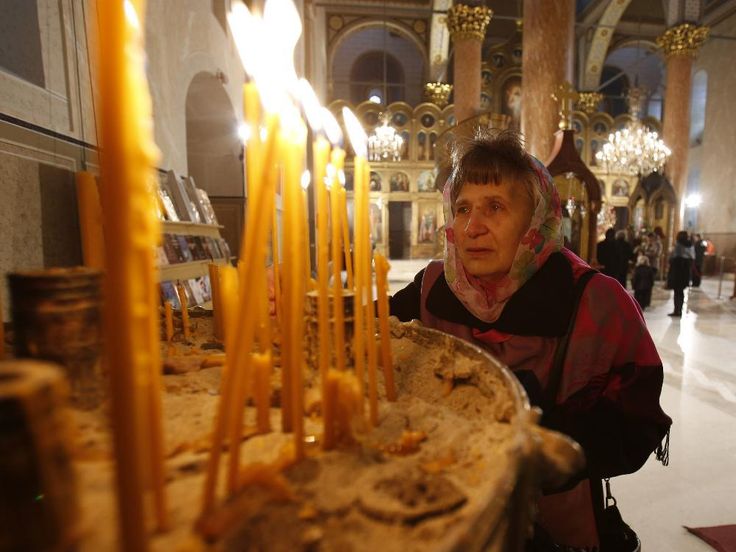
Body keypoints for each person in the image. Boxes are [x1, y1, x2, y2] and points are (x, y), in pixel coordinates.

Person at [388, 129, 671, 549]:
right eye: (462, 207)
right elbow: (363, 334)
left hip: (553, 518)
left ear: (535, 218)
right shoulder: (435, 285)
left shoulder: (595, 300)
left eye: (495, 207)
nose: (471, 227)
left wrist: (540, 447)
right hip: (442, 514)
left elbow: (637, 421)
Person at [667, 231, 694, 317]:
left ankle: (677, 310)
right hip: (685, 273)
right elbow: (692, 258)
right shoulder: (690, 246)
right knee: (681, 292)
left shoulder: (678, 246)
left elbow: (673, 259)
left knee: (677, 292)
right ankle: (679, 310)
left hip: (677, 273)